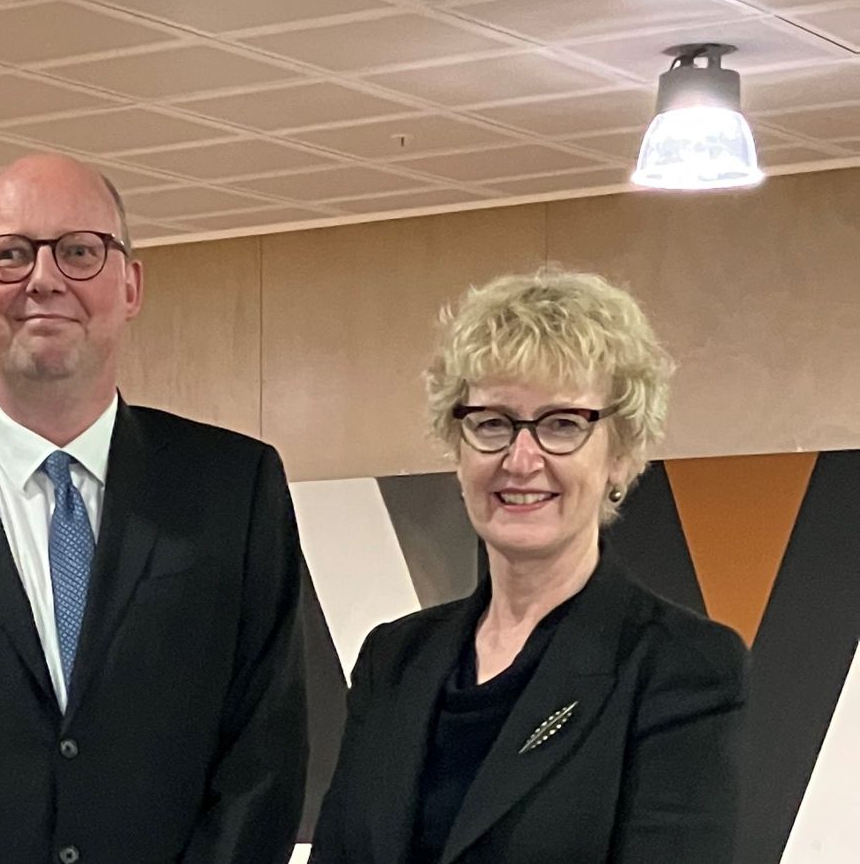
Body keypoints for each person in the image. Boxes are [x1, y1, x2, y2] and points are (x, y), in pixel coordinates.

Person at [0, 153, 307, 864]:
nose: (44, 279)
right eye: (9, 254)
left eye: (79, 251)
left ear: (130, 284)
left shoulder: (234, 489)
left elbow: (265, 756)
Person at [310, 269, 748, 862]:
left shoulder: (679, 667)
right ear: (458, 447)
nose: (521, 458)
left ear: (620, 455)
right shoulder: (394, 659)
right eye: (492, 423)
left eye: (561, 425)